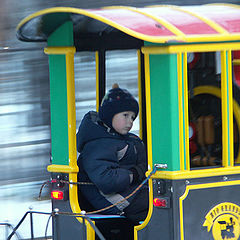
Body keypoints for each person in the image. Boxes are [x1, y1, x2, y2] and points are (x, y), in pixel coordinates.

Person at [76, 84, 148, 224]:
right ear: (109, 115)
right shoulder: (98, 143)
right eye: (125, 115)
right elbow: (107, 181)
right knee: (162, 203)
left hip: (129, 193)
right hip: (113, 199)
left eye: (133, 118)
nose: (130, 122)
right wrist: (134, 174)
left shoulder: (128, 139)